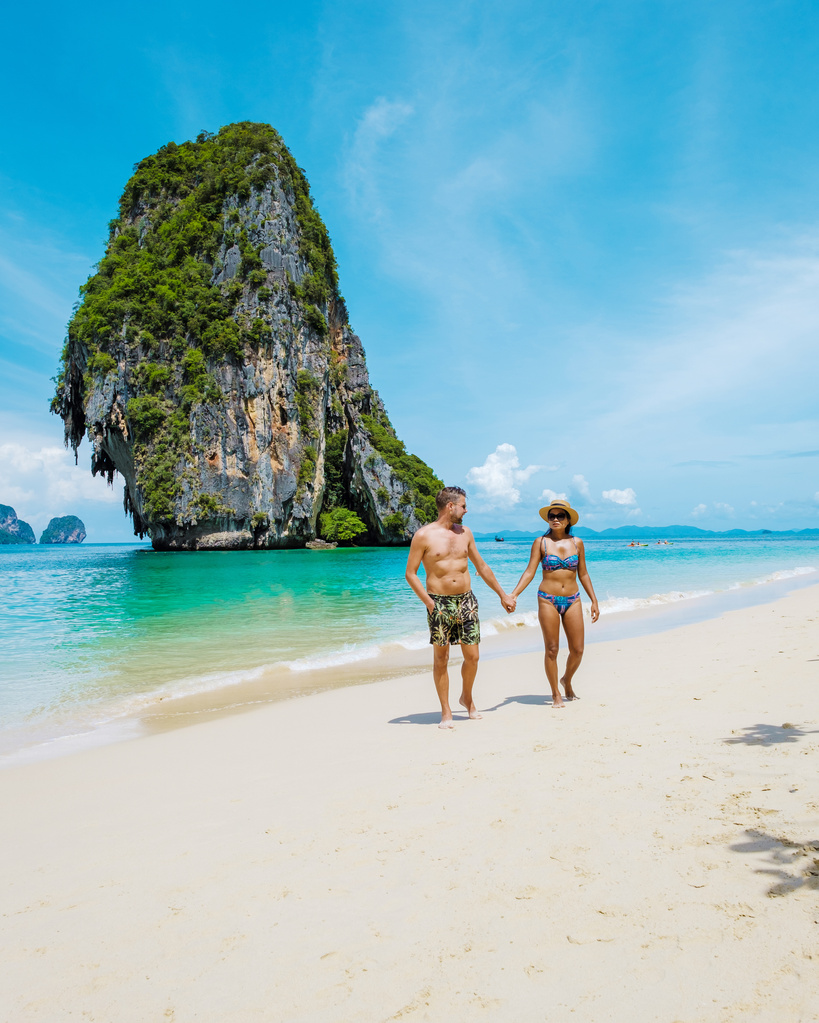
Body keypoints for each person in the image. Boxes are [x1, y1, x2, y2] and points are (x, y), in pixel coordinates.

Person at [405, 486, 516, 728]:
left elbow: (482, 567)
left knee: (473, 656)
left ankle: (466, 697)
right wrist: (429, 603)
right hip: (439, 603)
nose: (467, 510)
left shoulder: (465, 533)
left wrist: (503, 595)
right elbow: (410, 574)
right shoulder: (423, 536)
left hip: (466, 600)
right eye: (463, 505)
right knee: (441, 659)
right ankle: (446, 711)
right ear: (450, 506)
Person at [509, 499, 599, 708]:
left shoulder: (577, 543)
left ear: (568, 520)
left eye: (560, 516)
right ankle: (555, 693)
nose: (556, 519)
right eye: (552, 516)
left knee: (578, 650)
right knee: (552, 649)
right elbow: (530, 571)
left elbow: (583, 573)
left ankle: (566, 679)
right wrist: (514, 594)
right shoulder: (540, 542)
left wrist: (594, 600)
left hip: (573, 599)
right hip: (547, 599)